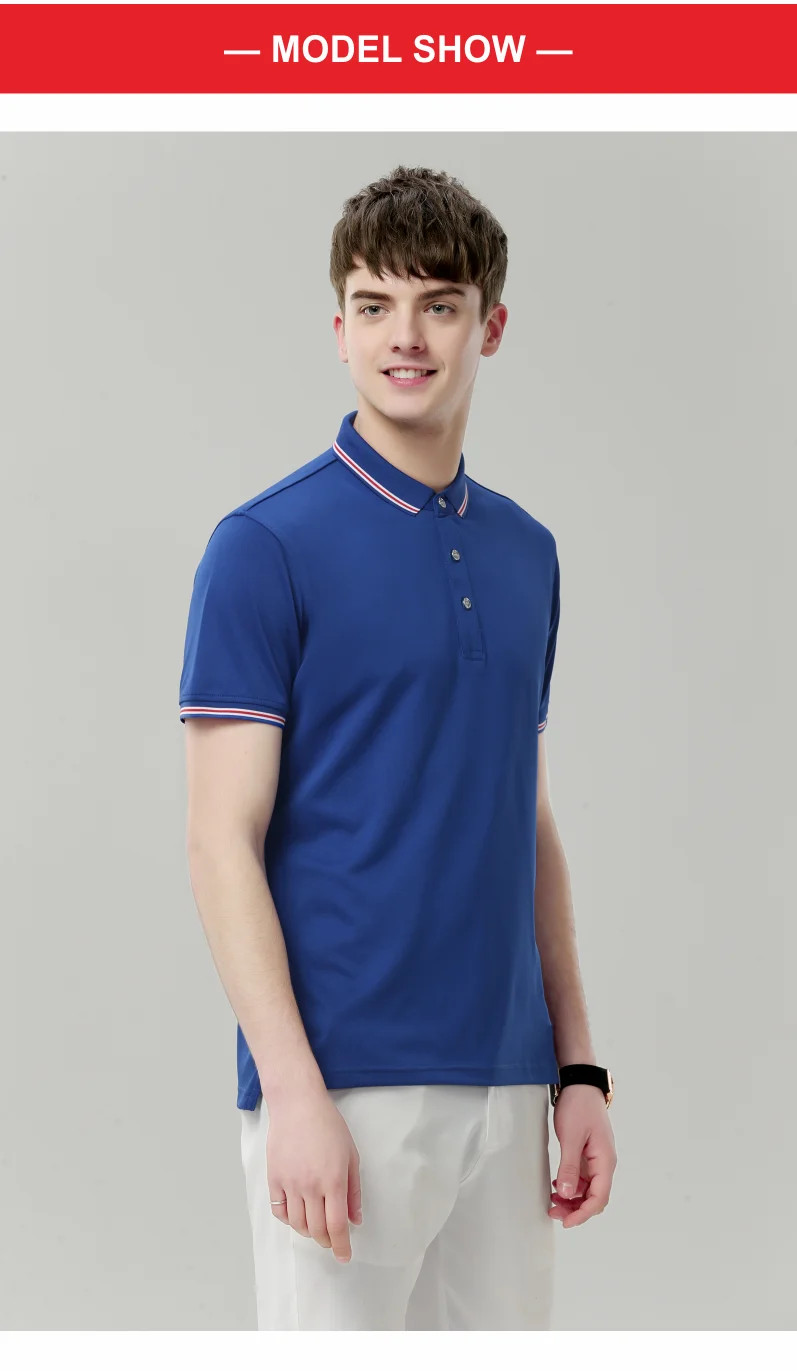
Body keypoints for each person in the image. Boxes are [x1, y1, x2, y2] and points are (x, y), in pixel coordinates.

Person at [178, 164, 617, 1331]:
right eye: (374, 305)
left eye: (438, 304)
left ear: (490, 326)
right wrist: (292, 1090)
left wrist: (576, 1069)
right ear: (338, 330)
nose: (404, 337)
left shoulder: (527, 554)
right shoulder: (263, 547)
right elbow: (220, 841)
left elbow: (523, 816)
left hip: (507, 1082)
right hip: (344, 1084)